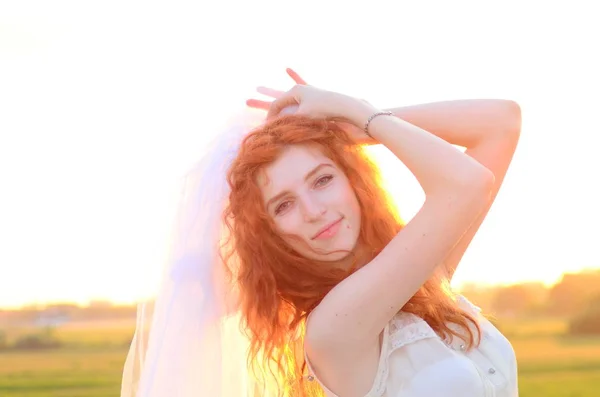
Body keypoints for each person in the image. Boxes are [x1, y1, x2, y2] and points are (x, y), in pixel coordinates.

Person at [121, 69, 521, 397]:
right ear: (269, 234)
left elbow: (501, 123)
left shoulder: (421, 279)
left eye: (323, 179)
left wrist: (350, 130)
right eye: (284, 204)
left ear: (353, 179)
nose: (314, 211)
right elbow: (468, 184)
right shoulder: (334, 326)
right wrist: (358, 111)